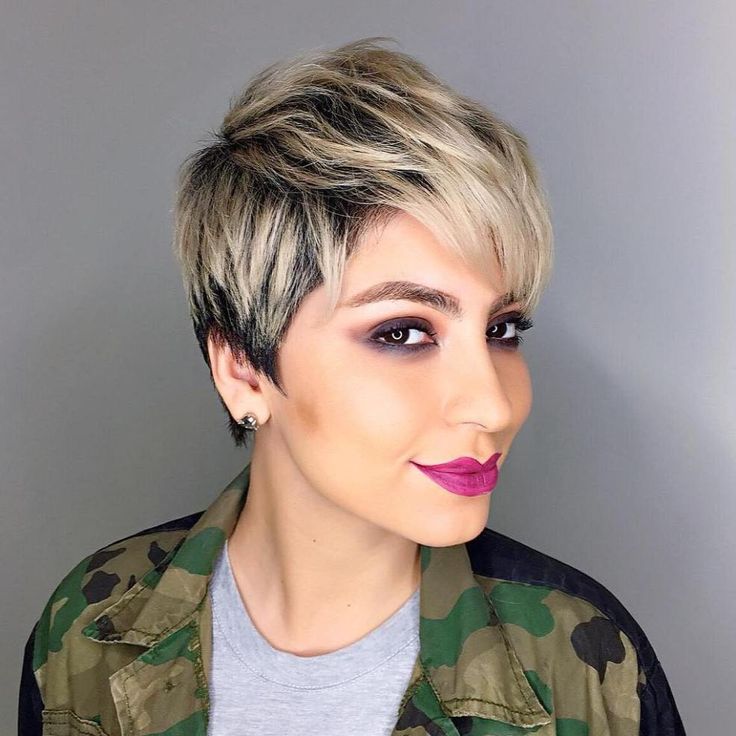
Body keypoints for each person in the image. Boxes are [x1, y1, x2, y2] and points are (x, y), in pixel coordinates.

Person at [18, 37, 685, 736]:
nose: (491, 405)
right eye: (403, 333)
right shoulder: (87, 628)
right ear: (242, 369)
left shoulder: (585, 662)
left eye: (502, 329)